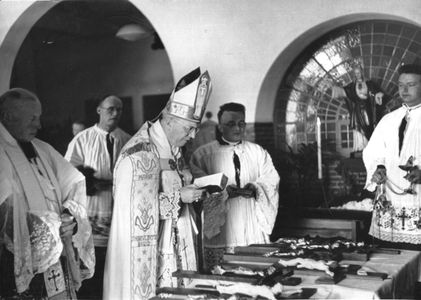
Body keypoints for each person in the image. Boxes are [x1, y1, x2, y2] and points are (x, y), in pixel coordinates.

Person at [103, 67, 213, 300]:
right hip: (156, 251)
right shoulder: (138, 155)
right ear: (170, 121)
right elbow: (135, 215)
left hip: (181, 242)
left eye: (195, 129)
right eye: (189, 129)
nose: (192, 136)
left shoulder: (175, 149)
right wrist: (178, 198)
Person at [0, 88, 95, 299]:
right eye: (32, 118)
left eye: (39, 117)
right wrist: (47, 228)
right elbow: (5, 212)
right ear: (7, 116)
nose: (39, 125)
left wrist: (71, 217)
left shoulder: (41, 148)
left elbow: (74, 183)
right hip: (15, 264)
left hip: (56, 256)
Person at [190, 102, 280, 270]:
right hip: (221, 231)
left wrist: (255, 188)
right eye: (231, 123)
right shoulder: (203, 154)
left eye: (241, 123)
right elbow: (197, 184)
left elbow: (271, 180)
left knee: (257, 277)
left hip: (250, 225)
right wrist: (222, 191)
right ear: (220, 127)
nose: (238, 128)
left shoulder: (257, 152)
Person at [64, 95, 131, 299]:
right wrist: (93, 182)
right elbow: (67, 174)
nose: (115, 113)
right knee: (93, 275)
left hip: (119, 217)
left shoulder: (129, 140)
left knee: (116, 275)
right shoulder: (82, 139)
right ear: (99, 110)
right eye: (111, 109)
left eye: (119, 109)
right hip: (93, 215)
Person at [363, 63, 421, 298]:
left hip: (417, 204)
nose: (404, 90)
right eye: (400, 85)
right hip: (390, 206)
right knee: (390, 269)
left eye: (411, 85)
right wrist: (377, 169)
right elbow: (373, 152)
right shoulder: (389, 120)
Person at [332, 65, 384, 151]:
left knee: (368, 125)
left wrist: (377, 95)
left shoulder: (368, 83)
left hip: (366, 108)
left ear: (362, 72)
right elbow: (344, 91)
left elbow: (373, 93)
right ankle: (359, 147)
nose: (358, 75)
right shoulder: (352, 86)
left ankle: (368, 146)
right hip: (357, 109)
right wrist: (336, 88)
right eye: (356, 73)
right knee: (358, 126)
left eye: (359, 72)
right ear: (354, 74)